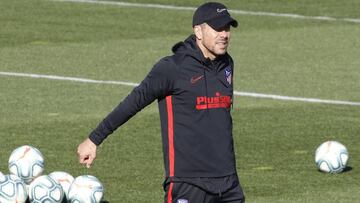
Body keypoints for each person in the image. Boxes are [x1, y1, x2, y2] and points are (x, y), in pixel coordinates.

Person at [77, 2, 245, 203]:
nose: (224, 34)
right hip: (188, 183)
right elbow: (134, 101)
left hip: (228, 183)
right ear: (198, 31)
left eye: (227, 28)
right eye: (217, 28)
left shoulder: (227, 64)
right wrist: (95, 138)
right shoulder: (172, 68)